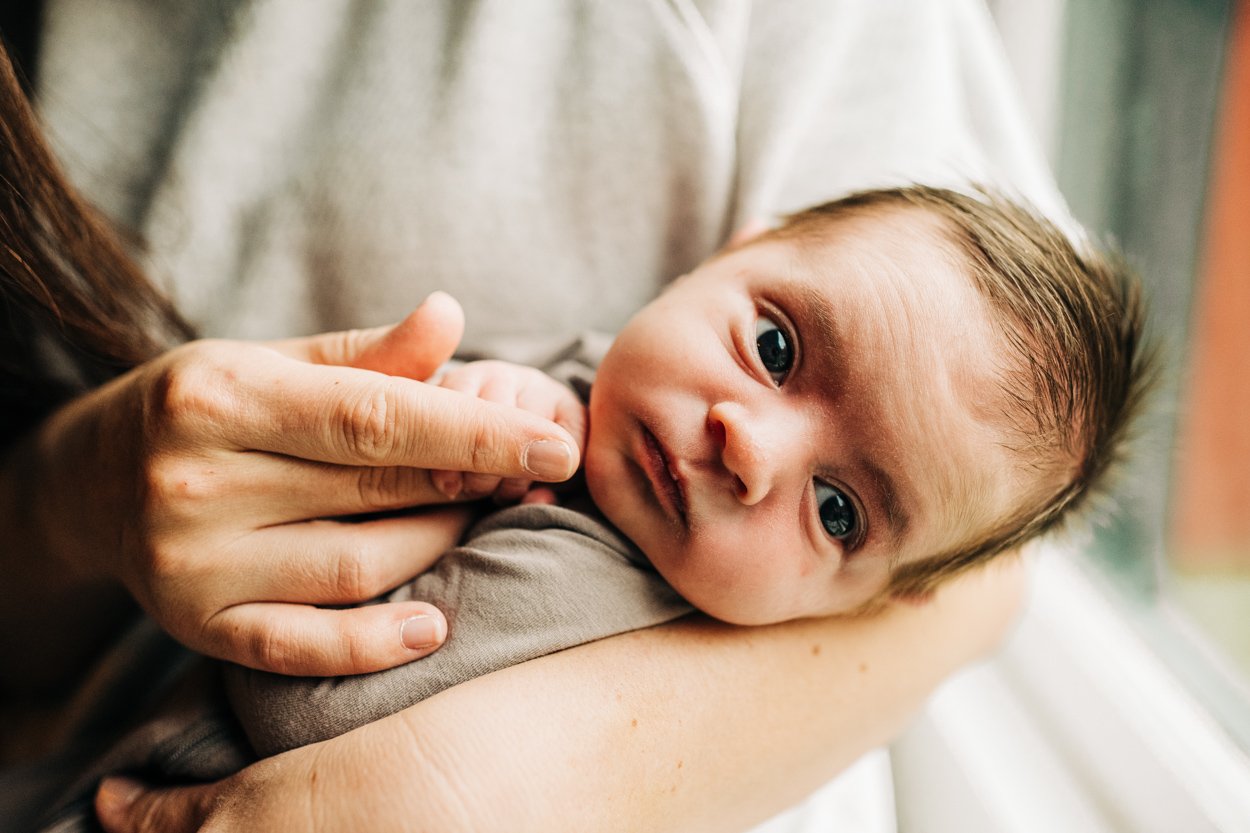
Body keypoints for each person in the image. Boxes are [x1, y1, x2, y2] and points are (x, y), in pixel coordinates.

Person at [1, 2, 1075, 830]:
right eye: (775, 350)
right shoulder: (602, 395)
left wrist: (456, 778)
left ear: (883, 587)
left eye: (837, 512)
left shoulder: (598, 566)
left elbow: (308, 715)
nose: (750, 447)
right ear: (733, 248)